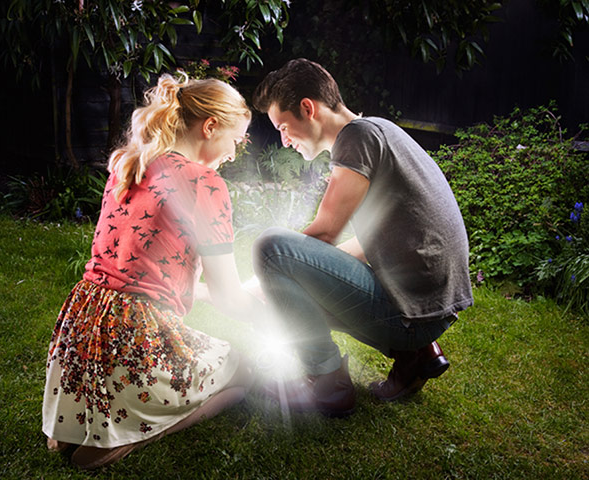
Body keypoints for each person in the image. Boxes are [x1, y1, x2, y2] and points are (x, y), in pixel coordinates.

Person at [42, 73, 261, 470]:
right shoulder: (204, 183)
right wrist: (269, 311)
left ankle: (76, 421)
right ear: (210, 126)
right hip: (137, 336)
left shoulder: (129, 165)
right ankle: (132, 436)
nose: (234, 153)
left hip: (81, 328)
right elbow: (228, 297)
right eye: (235, 140)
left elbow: (150, 277)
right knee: (243, 371)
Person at [251, 58, 473, 415]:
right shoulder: (377, 129)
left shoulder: (356, 139)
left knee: (271, 248)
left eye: (282, 127)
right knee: (291, 274)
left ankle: (327, 385)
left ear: (307, 108)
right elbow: (367, 246)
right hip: (430, 307)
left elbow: (323, 234)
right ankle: (415, 357)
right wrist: (283, 281)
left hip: (412, 315)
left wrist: (265, 276)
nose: (283, 140)